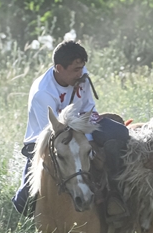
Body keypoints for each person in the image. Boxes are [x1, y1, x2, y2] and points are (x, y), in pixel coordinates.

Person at [12, 39, 130, 217]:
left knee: (119, 133)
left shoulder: (80, 74)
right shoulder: (43, 94)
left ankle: (116, 194)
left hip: (81, 126)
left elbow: (89, 108)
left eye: (82, 67)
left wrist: (91, 146)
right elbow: (56, 136)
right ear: (59, 68)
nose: (80, 73)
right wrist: (89, 150)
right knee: (25, 201)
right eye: (76, 69)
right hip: (46, 138)